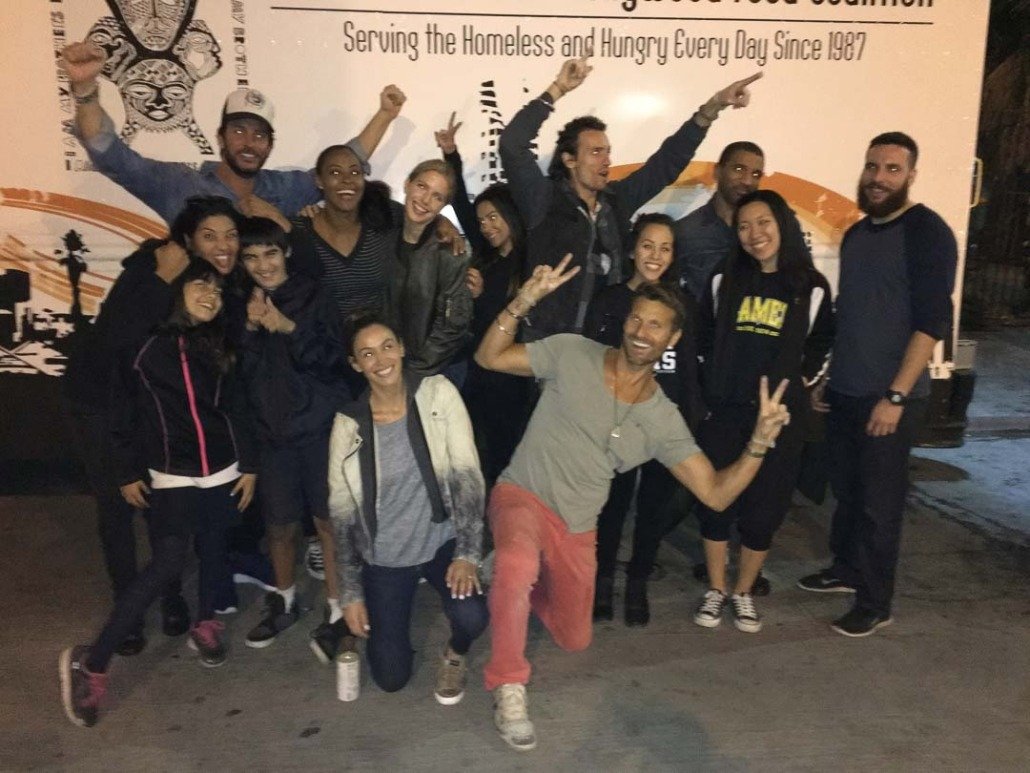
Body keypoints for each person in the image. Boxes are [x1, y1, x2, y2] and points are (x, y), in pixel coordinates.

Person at [475, 260, 791, 751]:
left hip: (577, 527)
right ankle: (508, 684)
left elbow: (715, 493)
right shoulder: (572, 352)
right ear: (625, 321)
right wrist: (523, 301)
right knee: (516, 564)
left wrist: (759, 443)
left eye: (656, 325)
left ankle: (509, 583)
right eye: (636, 320)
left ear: (674, 339)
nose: (642, 332)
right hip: (523, 494)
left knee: (573, 638)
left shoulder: (662, 419)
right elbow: (490, 357)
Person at [60, 259, 258, 728]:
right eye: (199, 285)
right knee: (168, 560)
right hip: (171, 473)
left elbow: (239, 407)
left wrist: (249, 463)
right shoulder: (146, 346)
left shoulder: (222, 343)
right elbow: (121, 412)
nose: (210, 295)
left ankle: (205, 620)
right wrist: (127, 470)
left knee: (213, 549)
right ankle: (93, 661)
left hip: (223, 470)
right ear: (178, 289)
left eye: (217, 289)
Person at [62, 196, 245, 655]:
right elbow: (114, 347)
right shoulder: (156, 269)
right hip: (103, 400)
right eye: (209, 236)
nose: (223, 246)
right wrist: (161, 277)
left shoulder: (212, 286)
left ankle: (172, 599)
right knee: (120, 506)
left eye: (231, 235)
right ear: (186, 240)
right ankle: (129, 611)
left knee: (163, 514)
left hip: (153, 407)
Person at [798, 132, 957, 637]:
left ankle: (875, 601)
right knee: (847, 491)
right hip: (846, 388)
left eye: (891, 168)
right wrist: (828, 376)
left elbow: (931, 322)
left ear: (911, 174)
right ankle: (846, 570)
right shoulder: (859, 234)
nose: (878, 177)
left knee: (878, 505)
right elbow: (852, 313)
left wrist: (895, 395)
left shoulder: (928, 232)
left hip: (889, 395)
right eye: (872, 166)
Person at [499, 57, 762, 341]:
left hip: (607, 346)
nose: (607, 160)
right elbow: (512, 145)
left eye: (608, 152)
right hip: (549, 346)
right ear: (569, 160)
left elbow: (666, 163)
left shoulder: (616, 200)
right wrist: (557, 89)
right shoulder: (542, 198)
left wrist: (713, 108)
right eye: (596, 152)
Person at [60, 40, 405, 224]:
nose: (249, 143)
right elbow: (108, 152)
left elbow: (344, 164)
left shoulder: (284, 189)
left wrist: (385, 115)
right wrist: (86, 88)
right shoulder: (180, 184)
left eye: (259, 135)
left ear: (270, 145)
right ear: (220, 137)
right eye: (239, 130)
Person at [691, 190, 834, 634]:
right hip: (727, 412)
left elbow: (821, 343)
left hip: (779, 420)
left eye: (764, 222)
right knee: (716, 503)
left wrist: (795, 386)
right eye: (744, 226)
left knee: (764, 509)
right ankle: (716, 588)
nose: (755, 234)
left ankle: (744, 592)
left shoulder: (810, 286)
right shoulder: (725, 277)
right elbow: (703, 338)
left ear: (782, 224)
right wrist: (714, 392)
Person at [330, 313, 489, 704]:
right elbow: (342, 514)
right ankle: (365, 620)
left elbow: (467, 475)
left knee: (473, 615)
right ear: (356, 365)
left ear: (401, 347)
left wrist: (468, 553)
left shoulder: (437, 394)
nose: (381, 359)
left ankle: (455, 654)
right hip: (385, 556)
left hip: (440, 542)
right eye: (367, 354)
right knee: (390, 677)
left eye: (387, 346)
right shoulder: (348, 425)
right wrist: (350, 593)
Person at [234, 217, 352, 658]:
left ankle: (339, 609)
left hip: (319, 427)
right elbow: (239, 374)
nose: (262, 264)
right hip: (272, 434)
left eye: (270, 253)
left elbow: (335, 360)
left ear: (284, 253)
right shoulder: (240, 299)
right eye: (251, 256)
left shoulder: (315, 293)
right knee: (279, 526)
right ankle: (284, 600)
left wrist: (287, 327)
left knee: (328, 523)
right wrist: (248, 328)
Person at [584, 213, 704, 627]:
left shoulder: (684, 306)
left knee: (653, 510)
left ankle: (637, 582)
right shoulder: (611, 300)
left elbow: (688, 370)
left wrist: (689, 421)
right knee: (611, 507)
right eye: (648, 245)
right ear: (633, 249)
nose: (655, 255)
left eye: (665, 247)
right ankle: (601, 582)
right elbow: (594, 363)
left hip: (664, 424)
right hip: (618, 422)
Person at [435, 113, 531, 484]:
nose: (488, 227)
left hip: (514, 379)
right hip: (478, 374)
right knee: (478, 454)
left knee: (509, 455)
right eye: (482, 221)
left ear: (511, 215)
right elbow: (461, 204)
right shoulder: (486, 258)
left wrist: (482, 296)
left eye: (494, 218)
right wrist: (451, 155)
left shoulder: (529, 258)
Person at [382, 160, 473, 377]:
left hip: (436, 371)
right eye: (422, 186)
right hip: (387, 366)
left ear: (443, 206)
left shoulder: (451, 252)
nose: (425, 200)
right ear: (407, 184)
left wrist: (413, 371)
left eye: (437, 196)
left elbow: (452, 328)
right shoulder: (381, 234)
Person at [675, 141, 765, 301]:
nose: (747, 181)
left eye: (756, 174)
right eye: (739, 169)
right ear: (717, 172)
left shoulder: (769, 233)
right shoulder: (686, 231)